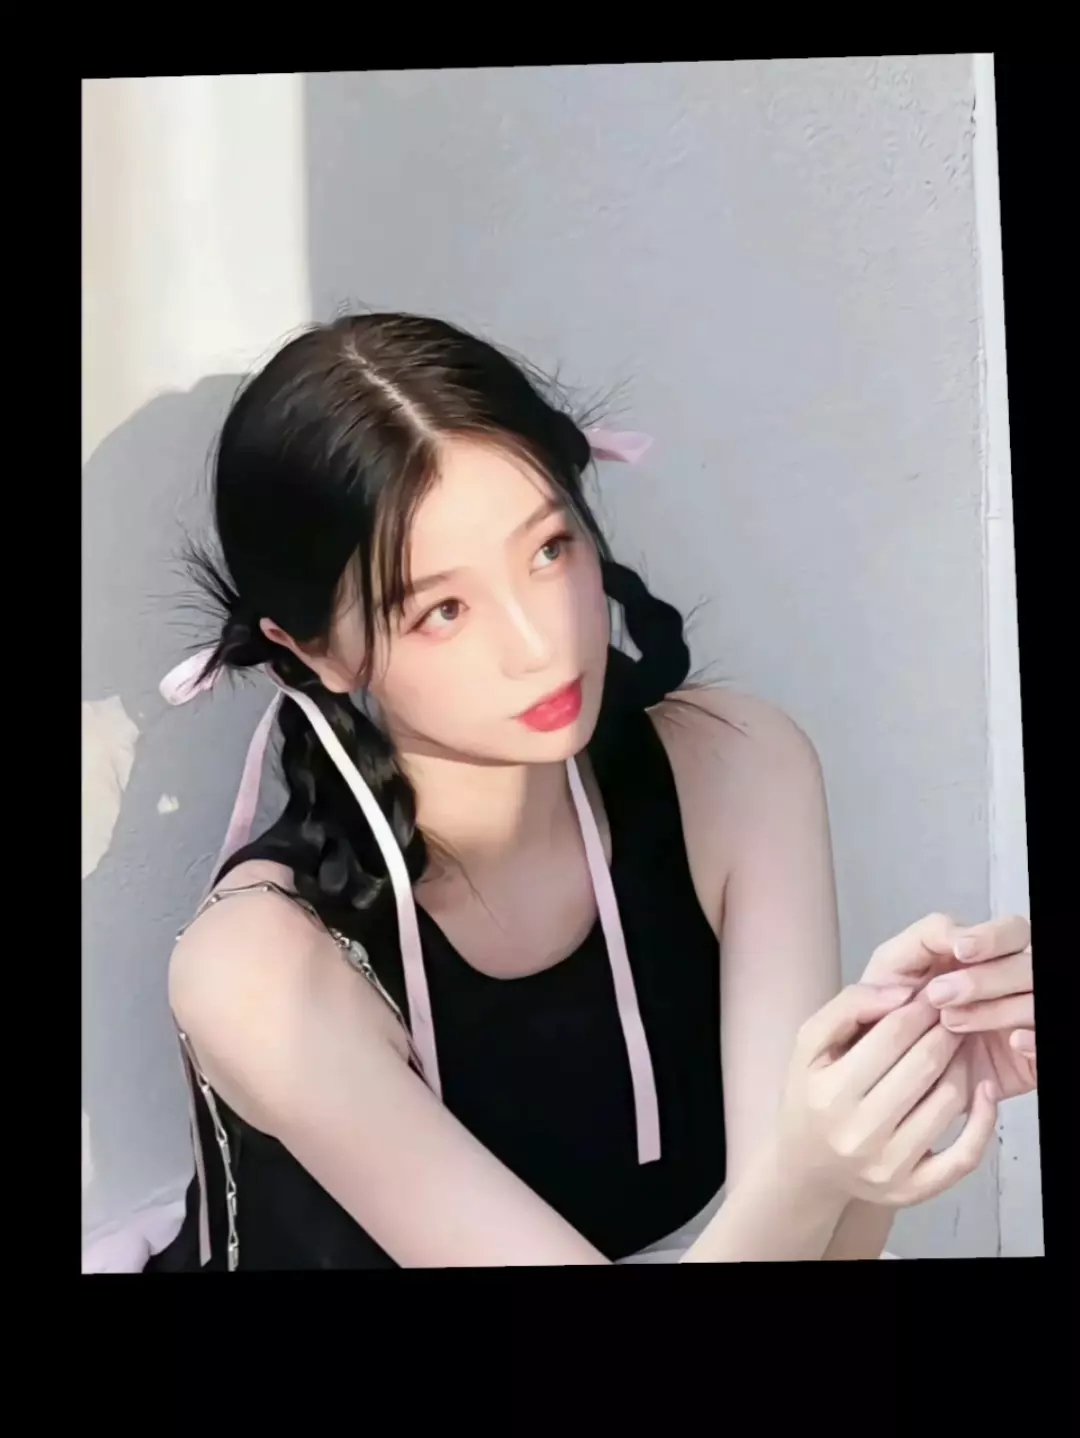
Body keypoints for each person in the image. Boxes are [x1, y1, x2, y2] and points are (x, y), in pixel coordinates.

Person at [147, 313, 1035, 1270]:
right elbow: (789, 1205)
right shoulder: (256, 970)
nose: (541, 643)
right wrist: (811, 1172)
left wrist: (906, 1083)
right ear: (311, 650)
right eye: (444, 609)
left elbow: (817, 1256)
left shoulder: (739, 772)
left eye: (547, 551)